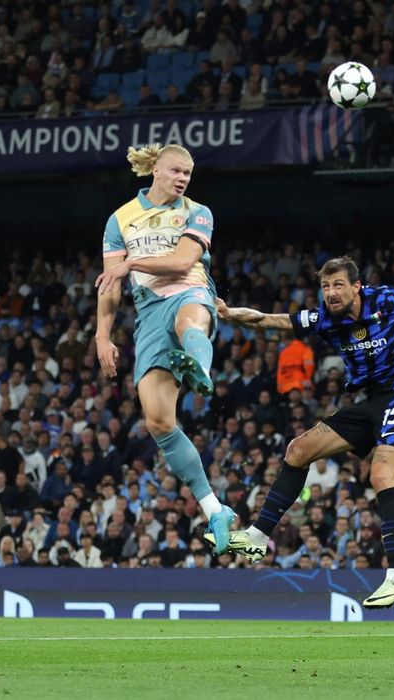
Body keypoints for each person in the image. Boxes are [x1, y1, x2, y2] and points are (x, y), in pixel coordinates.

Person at [208, 255, 394, 607]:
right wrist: (231, 314)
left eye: (338, 285)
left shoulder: (386, 300)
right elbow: (268, 321)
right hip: (371, 400)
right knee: (298, 450)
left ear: (357, 287)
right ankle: (258, 536)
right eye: (325, 287)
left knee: (382, 474)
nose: (330, 293)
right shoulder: (324, 318)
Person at [94, 143, 236, 553]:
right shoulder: (120, 219)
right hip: (148, 312)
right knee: (158, 422)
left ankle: (200, 369)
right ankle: (214, 509)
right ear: (155, 169)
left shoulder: (199, 211)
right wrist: (103, 335)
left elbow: (181, 261)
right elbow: (110, 286)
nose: (182, 179)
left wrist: (132, 263)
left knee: (191, 319)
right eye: (175, 171)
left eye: (187, 175)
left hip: (189, 289)